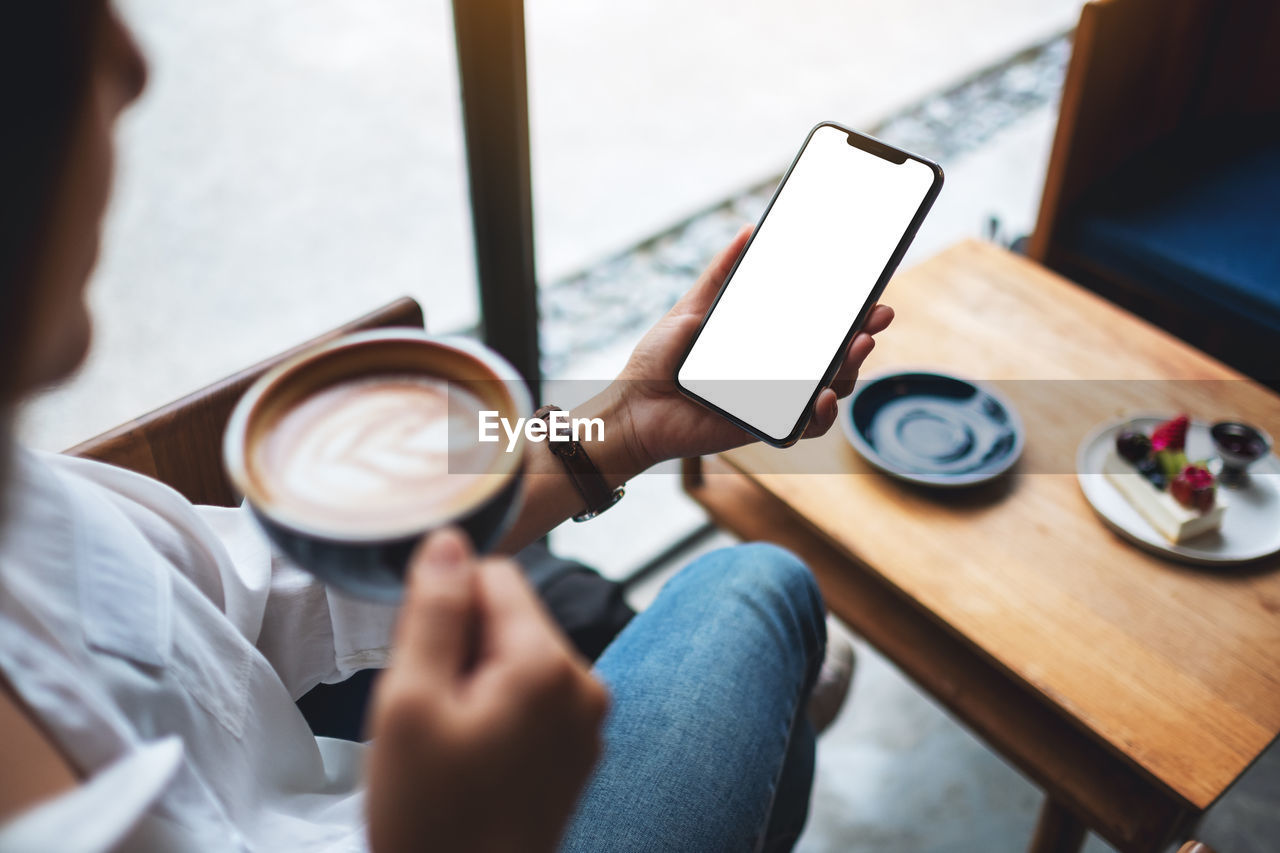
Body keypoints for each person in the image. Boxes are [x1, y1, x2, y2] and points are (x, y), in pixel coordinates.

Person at [0, 3, 894, 851]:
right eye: (58, 26)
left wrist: (625, 427)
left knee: (724, 686)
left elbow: (260, 593)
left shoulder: (25, 503)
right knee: (756, 586)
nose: (135, 64)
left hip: (348, 792)